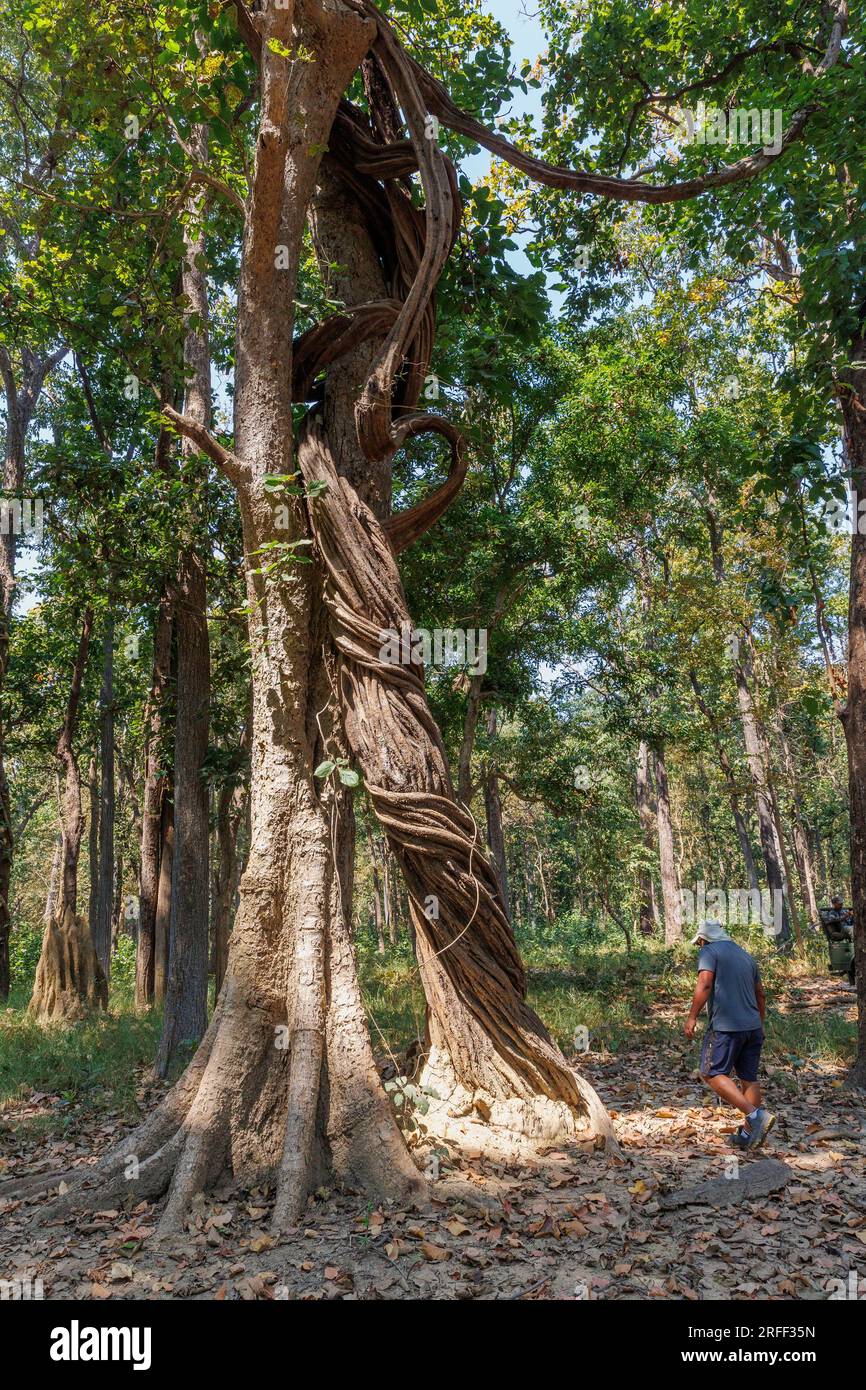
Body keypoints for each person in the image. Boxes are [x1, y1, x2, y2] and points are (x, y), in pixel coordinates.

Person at [683, 920, 774, 1150]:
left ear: (704, 939)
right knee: (748, 1078)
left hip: (726, 1026)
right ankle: (750, 1135)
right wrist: (760, 1024)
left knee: (712, 1072)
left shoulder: (709, 950)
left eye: (699, 943)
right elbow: (760, 994)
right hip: (753, 1026)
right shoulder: (746, 956)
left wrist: (692, 1016)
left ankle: (755, 1117)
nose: (699, 947)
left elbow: (704, 983)